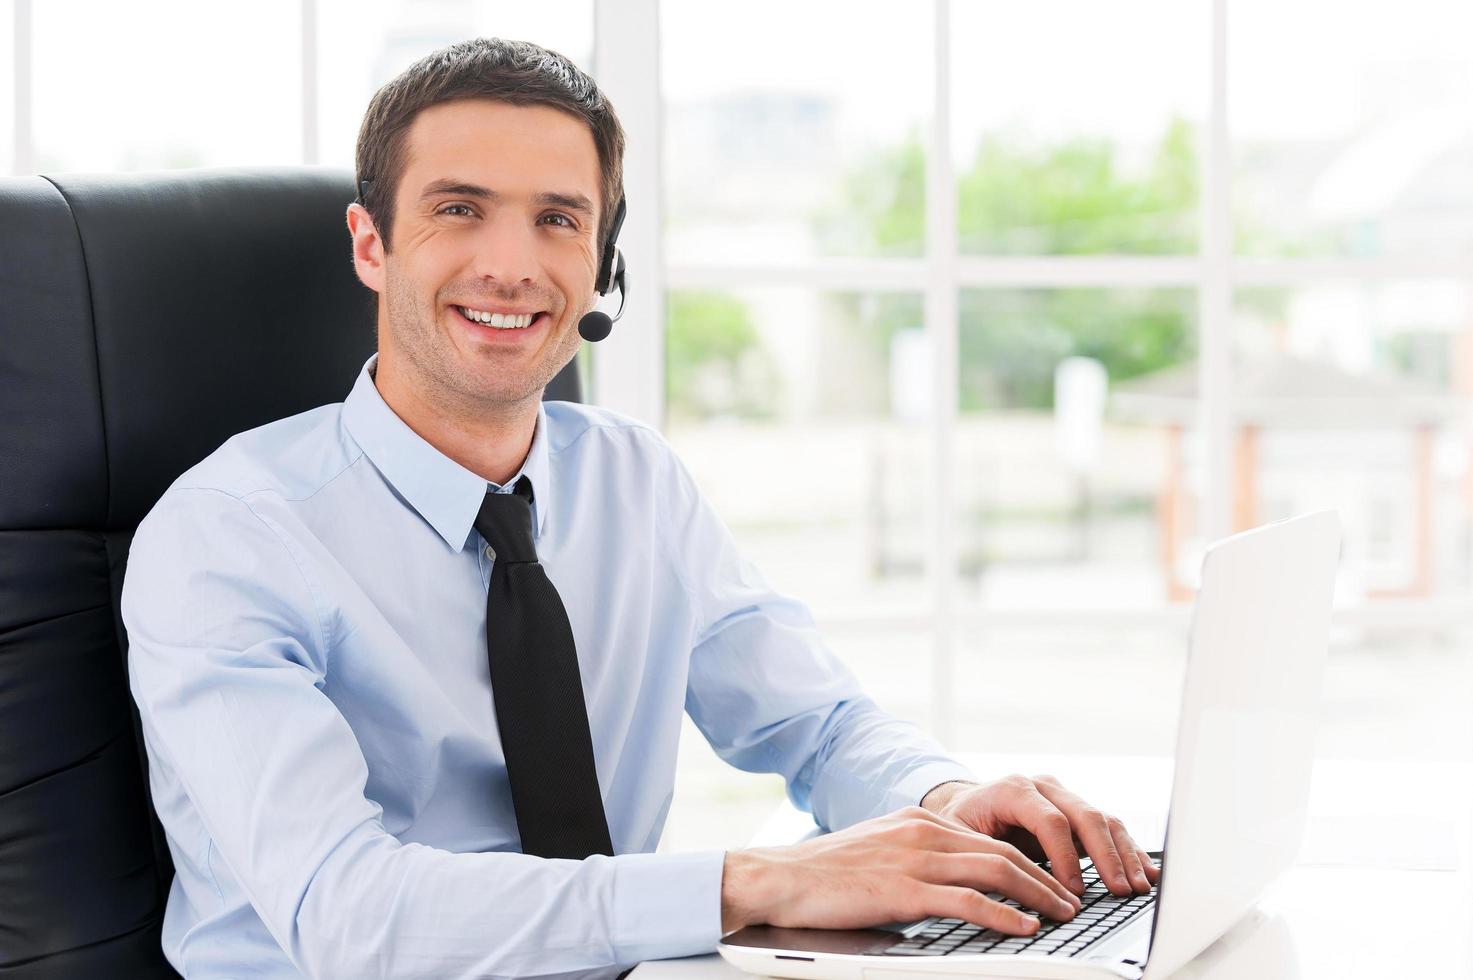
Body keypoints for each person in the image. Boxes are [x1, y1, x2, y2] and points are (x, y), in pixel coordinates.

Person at [123, 37, 1157, 980]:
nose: (512, 265)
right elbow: (348, 913)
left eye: (559, 220)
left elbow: (816, 720)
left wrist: (938, 800)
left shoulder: (633, 479)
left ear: (601, 270)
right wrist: (754, 881)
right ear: (370, 245)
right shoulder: (225, 537)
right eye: (458, 209)